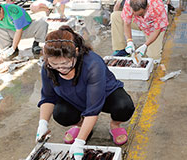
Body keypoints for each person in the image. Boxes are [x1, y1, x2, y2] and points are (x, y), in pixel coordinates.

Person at [35, 26, 135, 160]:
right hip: (73, 98)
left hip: (105, 96)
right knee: (60, 113)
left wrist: (80, 142)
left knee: (124, 106)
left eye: (65, 64)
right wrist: (43, 123)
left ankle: (114, 125)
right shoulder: (48, 67)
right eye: (55, 65)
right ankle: (80, 125)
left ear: (76, 52)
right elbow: (48, 97)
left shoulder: (93, 64)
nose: (61, 69)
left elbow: (93, 109)